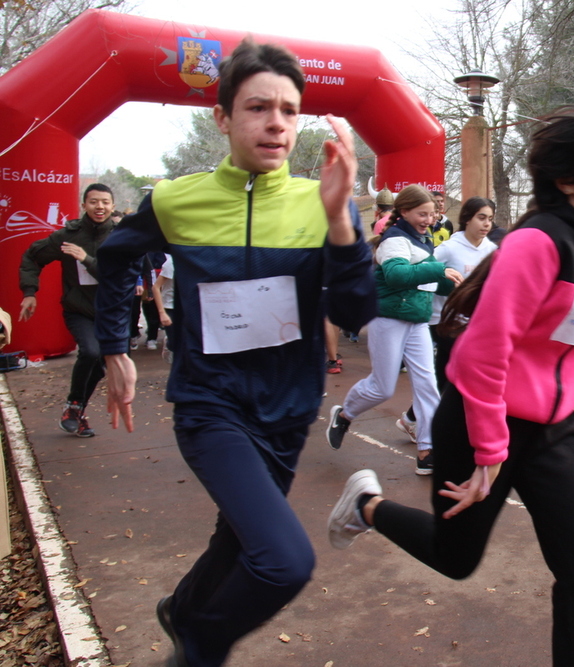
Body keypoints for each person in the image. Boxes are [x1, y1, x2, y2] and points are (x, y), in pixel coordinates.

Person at [94, 38, 377, 667]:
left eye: (288, 110)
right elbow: (114, 260)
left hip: (289, 409)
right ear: (222, 118)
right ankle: (200, 643)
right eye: (257, 107)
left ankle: (183, 610)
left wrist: (338, 220)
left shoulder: (320, 201)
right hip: (210, 405)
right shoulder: (174, 199)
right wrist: (115, 348)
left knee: (237, 538)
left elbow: (357, 314)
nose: (276, 122)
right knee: (283, 559)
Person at [327, 107, 574, 667]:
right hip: (481, 424)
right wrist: (492, 450)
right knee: (456, 558)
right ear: (567, 177)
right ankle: (367, 504)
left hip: (550, 434)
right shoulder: (534, 244)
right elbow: (481, 355)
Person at [326, 184, 462, 475]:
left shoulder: (423, 240)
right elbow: (399, 275)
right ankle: (345, 415)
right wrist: (439, 270)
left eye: (432, 214)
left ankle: (427, 449)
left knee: (427, 384)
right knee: (383, 387)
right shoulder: (394, 240)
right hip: (388, 318)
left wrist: (454, 285)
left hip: (417, 320)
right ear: (404, 211)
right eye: (422, 214)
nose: (429, 220)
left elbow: (425, 281)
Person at [396, 196, 498, 442]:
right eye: (481, 218)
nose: (486, 224)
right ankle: (429, 427)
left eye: (490, 219)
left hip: (473, 323)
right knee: (448, 374)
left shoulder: (492, 250)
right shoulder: (450, 248)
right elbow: (422, 269)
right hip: (442, 321)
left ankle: (411, 419)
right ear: (467, 219)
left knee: (448, 375)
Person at [19, 183, 116, 438]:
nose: (100, 207)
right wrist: (30, 293)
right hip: (79, 309)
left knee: (100, 366)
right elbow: (32, 256)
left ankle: (77, 411)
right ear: (84, 205)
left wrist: (86, 259)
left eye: (105, 202)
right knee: (91, 351)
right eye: (94, 201)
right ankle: (74, 405)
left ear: (113, 206)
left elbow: (117, 276)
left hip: (111, 313)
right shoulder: (68, 236)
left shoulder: (120, 237)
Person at [151, 253, 175, 364]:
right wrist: (162, 312)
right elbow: (156, 287)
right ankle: (169, 343)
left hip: (187, 306)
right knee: (175, 343)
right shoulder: (171, 263)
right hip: (170, 307)